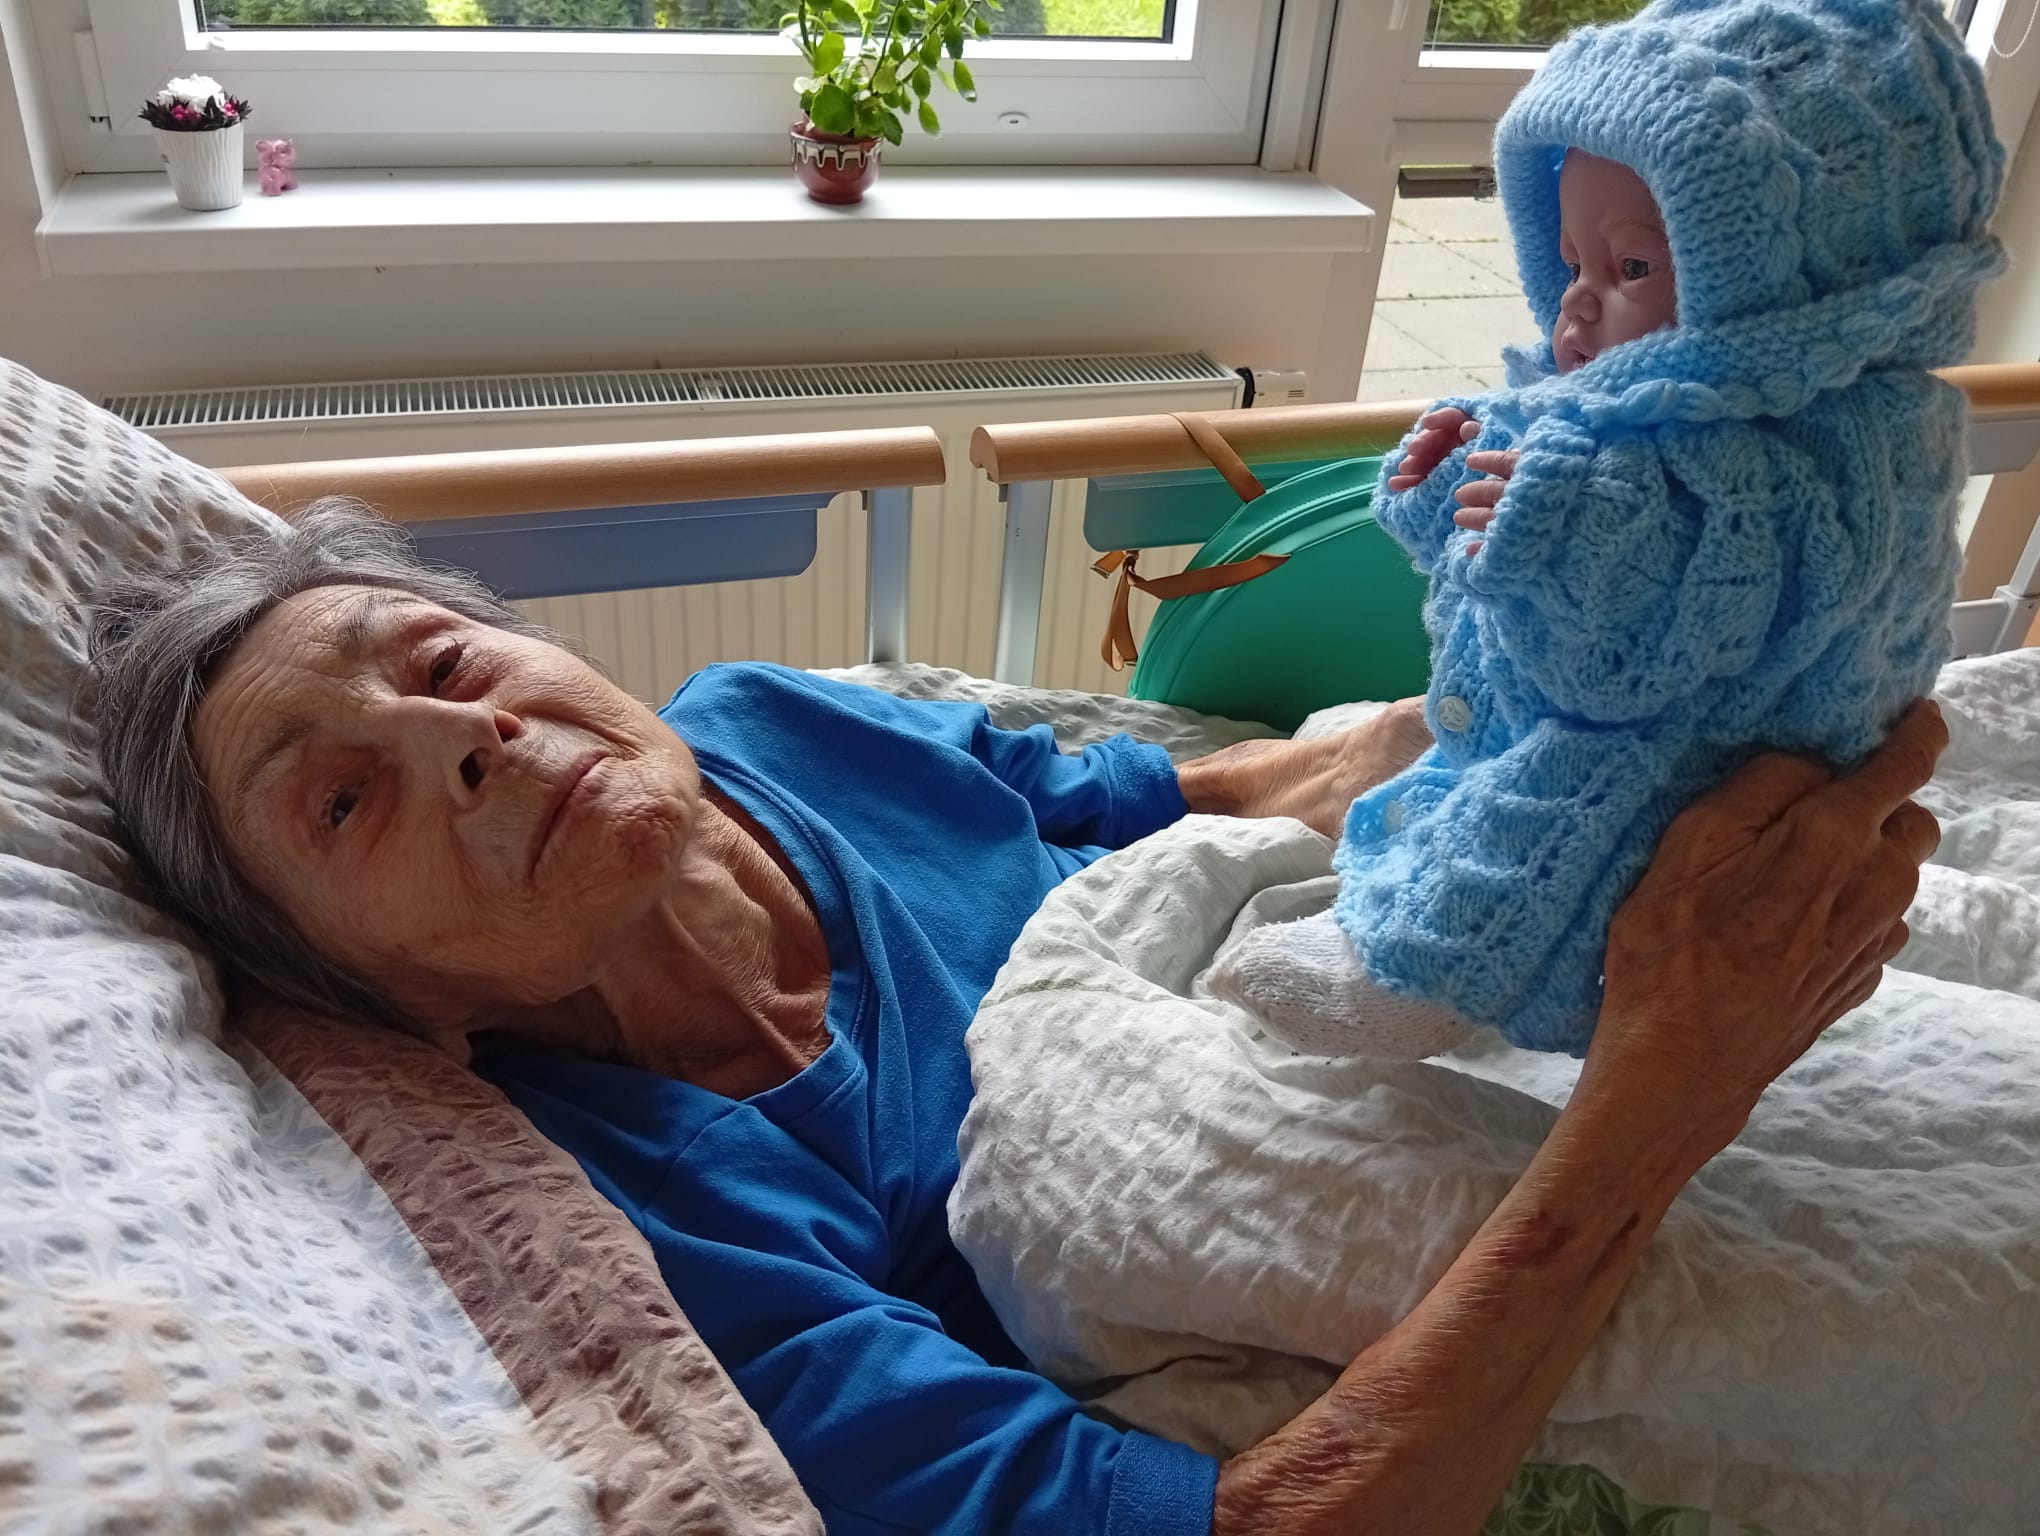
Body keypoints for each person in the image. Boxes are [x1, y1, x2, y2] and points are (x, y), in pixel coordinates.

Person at [88, 500, 1942, 1535]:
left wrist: (1506, 730)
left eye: (441, 658)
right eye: (347, 800)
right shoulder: (657, 1241)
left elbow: (1178, 797)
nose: (464, 738)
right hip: (1542, 1184)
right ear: (367, 992)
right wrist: (1678, 1073)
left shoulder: (771, 721)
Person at [1213, 0, 2003, 1061]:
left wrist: (1550, 528)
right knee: (1472, 776)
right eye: (1572, 262)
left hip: (1695, 760)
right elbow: (1497, 559)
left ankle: (1423, 977)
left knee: (1559, 822)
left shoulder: (1820, 459)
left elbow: (1646, 652)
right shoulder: (1637, 404)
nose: (1578, 305)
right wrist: (1448, 487)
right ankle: (1402, 895)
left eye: (1631, 270)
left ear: (1792, 287)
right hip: (1545, 705)